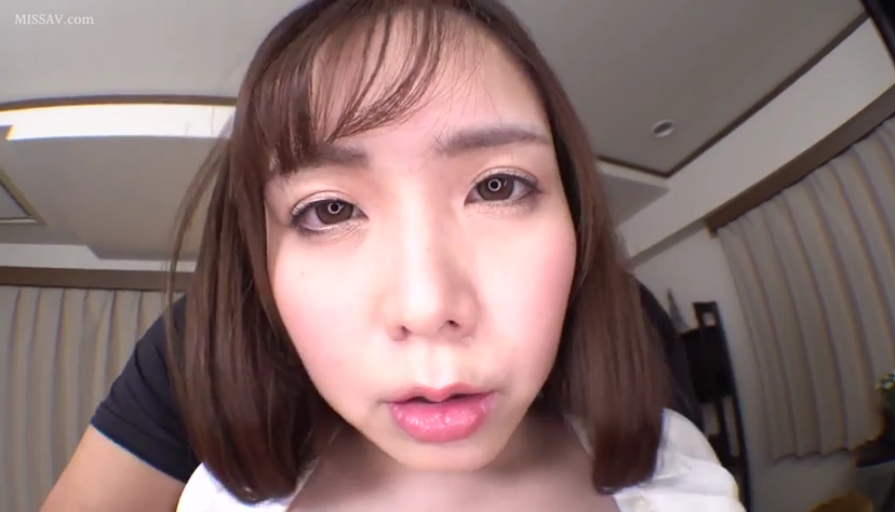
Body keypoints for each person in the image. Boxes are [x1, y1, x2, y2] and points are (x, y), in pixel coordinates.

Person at [42, 1, 736, 511]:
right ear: (260, 267)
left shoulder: (680, 476)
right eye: (329, 209)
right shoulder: (210, 445)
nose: (427, 306)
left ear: (577, 221)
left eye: (497, 186)